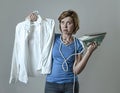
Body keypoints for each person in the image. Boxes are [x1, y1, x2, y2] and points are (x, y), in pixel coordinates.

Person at [27, 10, 97, 93]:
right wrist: (33, 19)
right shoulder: (52, 38)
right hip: (51, 84)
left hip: (70, 85)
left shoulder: (78, 44)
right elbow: (38, 33)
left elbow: (76, 70)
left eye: (69, 23)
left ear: (74, 25)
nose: (65, 26)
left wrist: (89, 52)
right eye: (62, 22)